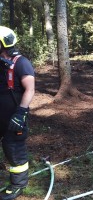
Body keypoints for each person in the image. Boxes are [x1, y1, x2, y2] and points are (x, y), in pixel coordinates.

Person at [0, 26, 35, 200]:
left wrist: (21, 112)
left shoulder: (21, 63)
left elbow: (30, 89)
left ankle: (18, 184)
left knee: (13, 148)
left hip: (14, 116)